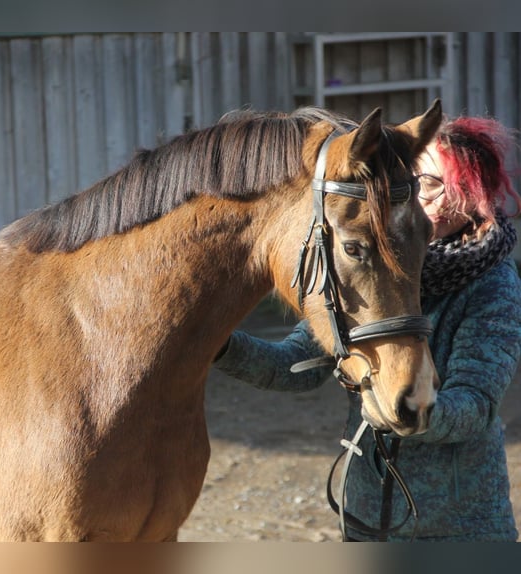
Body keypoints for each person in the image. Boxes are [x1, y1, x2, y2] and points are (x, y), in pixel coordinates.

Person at [214, 115, 521, 542]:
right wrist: (218, 346)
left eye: (431, 185)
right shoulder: (382, 270)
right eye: (414, 181)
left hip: (457, 528)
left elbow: (476, 405)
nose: (413, 196)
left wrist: (413, 414)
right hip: (366, 517)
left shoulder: (494, 284)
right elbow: (293, 366)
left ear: (467, 198)